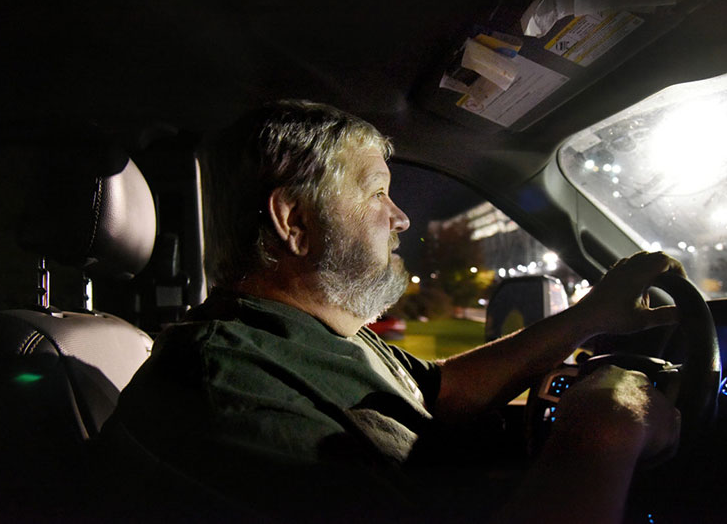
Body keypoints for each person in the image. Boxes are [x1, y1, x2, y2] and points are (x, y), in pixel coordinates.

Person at [101, 100, 682, 523]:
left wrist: (588, 318)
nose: (400, 217)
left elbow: (436, 394)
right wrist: (605, 427)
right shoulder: (220, 383)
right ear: (294, 222)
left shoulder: (322, 333)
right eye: (377, 192)